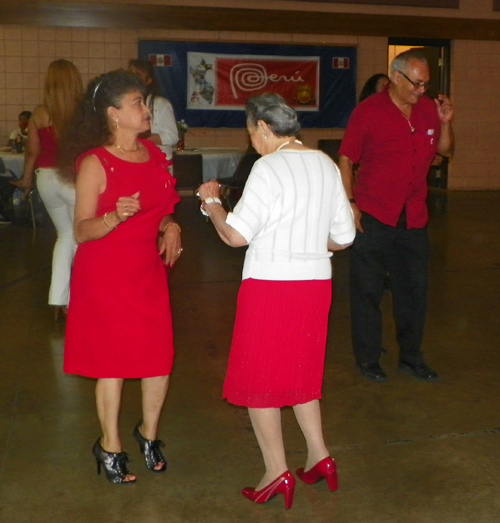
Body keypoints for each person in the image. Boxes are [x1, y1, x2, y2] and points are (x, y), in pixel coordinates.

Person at [198, 93, 355, 509]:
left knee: (259, 381)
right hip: (315, 286)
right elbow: (345, 237)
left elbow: (235, 235)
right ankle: (320, 457)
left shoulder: (268, 168)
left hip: (271, 286)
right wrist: (305, 241)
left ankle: (276, 471)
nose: (253, 143)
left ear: (264, 128)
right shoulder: (324, 163)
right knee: (301, 372)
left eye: (253, 135)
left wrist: (211, 203)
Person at [58, 69, 182, 484]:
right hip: (106, 273)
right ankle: (109, 444)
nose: (146, 110)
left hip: (146, 270)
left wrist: (171, 226)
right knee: (112, 362)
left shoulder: (153, 154)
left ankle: (148, 434)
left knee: (158, 357)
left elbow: (165, 206)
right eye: (138, 104)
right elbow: (80, 229)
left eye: (145, 103)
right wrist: (114, 217)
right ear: (113, 114)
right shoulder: (95, 162)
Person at [338, 49, 454, 383]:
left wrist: (446, 123)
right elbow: (346, 159)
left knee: (414, 291)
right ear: (396, 78)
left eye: (426, 84)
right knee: (367, 292)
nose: (422, 91)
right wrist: (350, 203)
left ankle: (411, 357)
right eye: (417, 83)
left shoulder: (429, 111)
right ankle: (368, 359)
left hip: (414, 216)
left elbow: (445, 150)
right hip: (374, 214)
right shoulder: (369, 112)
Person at [11, 60, 83, 320]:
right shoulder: (83, 112)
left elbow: (32, 152)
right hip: (73, 179)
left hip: (46, 179)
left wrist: (26, 182)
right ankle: (78, 300)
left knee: (64, 236)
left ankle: (58, 298)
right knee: (80, 239)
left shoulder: (39, 113)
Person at [128, 59, 179, 158]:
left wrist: (142, 139)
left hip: (158, 160)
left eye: (138, 74)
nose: (132, 78)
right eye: (130, 73)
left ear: (148, 81)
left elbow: (172, 137)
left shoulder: (160, 104)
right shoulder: (123, 103)